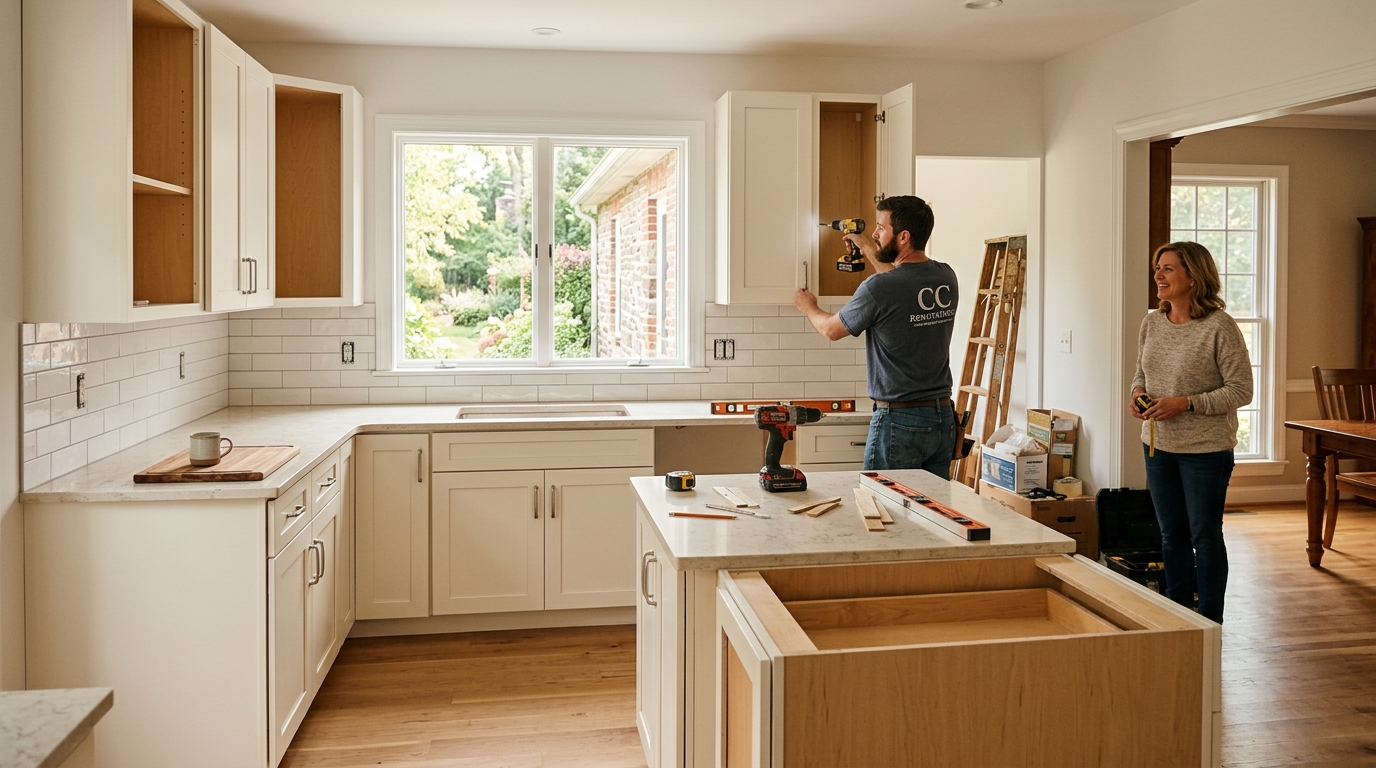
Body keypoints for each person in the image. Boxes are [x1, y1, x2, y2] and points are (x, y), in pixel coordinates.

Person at [1130, 241, 1252, 624]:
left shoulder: (1219, 326)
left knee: (1205, 537)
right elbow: (1141, 373)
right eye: (1158, 268)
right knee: (1171, 537)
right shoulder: (1151, 322)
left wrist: (1186, 402)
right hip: (1158, 446)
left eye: (1168, 269)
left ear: (1193, 277)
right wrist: (1137, 394)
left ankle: (1209, 622)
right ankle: (1177, 617)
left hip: (1206, 451)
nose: (1158, 276)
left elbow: (1241, 390)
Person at [795, 196, 959, 476]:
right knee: (932, 511)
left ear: (903, 236)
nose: (874, 233)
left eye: (881, 228)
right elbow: (899, 280)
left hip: (899, 420)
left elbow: (831, 330)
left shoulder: (878, 288)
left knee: (884, 508)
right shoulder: (945, 276)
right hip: (942, 419)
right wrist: (868, 247)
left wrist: (808, 307)